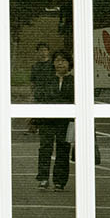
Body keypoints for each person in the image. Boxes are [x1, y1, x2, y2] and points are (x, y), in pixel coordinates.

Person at [35, 49, 75, 190]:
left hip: (65, 121)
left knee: (63, 149)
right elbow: (40, 99)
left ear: (69, 64)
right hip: (47, 120)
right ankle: (43, 178)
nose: (60, 63)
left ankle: (59, 181)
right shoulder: (47, 80)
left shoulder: (74, 81)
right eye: (57, 60)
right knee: (45, 149)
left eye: (63, 60)